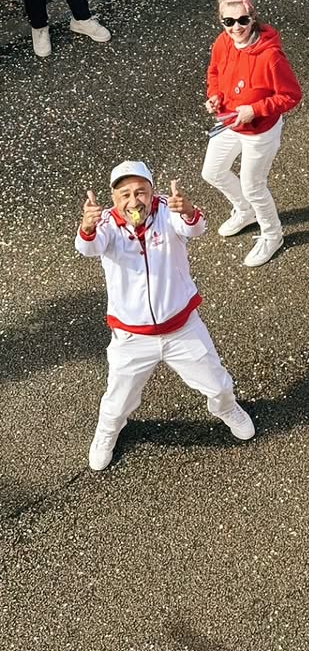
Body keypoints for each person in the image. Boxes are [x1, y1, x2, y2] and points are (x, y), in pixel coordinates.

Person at [75, 160, 255, 472]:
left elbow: (195, 227)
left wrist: (187, 210)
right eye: (126, 195)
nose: (135, 201)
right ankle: (107, 432)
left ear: (152, 190)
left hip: (182, 328)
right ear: (115, 198)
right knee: (117, 402)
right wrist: (88, 226)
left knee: (219, 386)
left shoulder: (167, 209)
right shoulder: (105, 223)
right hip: (132, 337)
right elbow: (88, 248)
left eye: (141, 192)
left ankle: (228, 410)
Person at [201, 0, 302, 269]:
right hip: (230, 121)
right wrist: (215, 97)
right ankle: (245, 211)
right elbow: (215, 73)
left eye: (242, 20)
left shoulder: (271, 55)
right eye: (228, 21)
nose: (236, 27)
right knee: (212, 171)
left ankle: (273, 234)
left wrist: (255, 109)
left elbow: (291, 95)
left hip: (260, 131)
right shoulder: (223, 42)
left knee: (253, 185)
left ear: (253, 16)